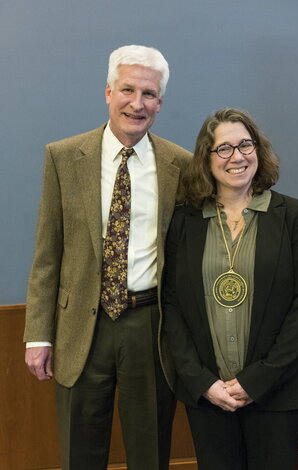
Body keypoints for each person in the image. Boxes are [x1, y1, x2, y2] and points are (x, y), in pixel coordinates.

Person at [24, 44, 192, 470]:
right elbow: (47, 254)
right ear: (107, 92)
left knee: (150, 450)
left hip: (150, 326)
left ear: (160, 102)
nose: (137, 103)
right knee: (79, 450)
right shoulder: (63, 157)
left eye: (149, 94)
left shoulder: (181, 165)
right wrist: (38, 335)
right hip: (81, 325)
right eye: (127, 90)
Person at [162, 108, 298, 470]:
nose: (237, 156)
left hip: (279, 393)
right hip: (210, 397)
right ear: (207, 158)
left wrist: (257, 380)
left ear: (258, 150)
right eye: (224, 148)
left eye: (245, 145)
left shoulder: (293, 216)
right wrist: (203, 382)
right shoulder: (184, 222)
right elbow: (171, 305)